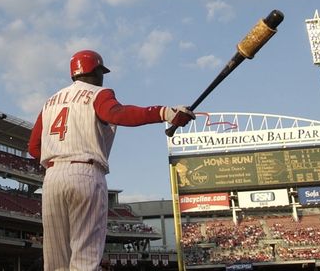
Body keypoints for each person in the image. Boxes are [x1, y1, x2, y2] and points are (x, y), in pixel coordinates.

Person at [28, 49, 195, 271]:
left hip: (52, 176)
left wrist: (58, 158)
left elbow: (33, 148)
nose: (103, 76)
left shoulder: (50, 102)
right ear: (94, 71)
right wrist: (165, 112)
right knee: (84, 257)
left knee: (55, 260)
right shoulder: (100, 93)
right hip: (85, 172)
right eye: (101, 71)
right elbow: (117, 114)